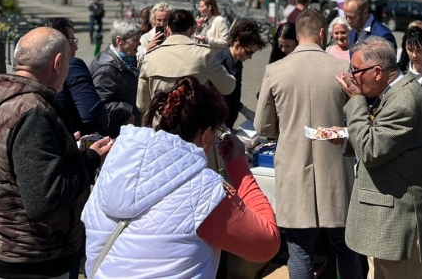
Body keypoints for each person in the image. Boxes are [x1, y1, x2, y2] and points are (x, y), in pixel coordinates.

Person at [82, 77, 279, 279]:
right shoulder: (203, 192)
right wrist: (239, 167)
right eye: (217, 132)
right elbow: (267, 244)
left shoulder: (114, 166)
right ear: (205, 135)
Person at [0, 27, 113, 279]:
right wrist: (90, 159)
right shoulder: (33, 111)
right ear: (58, 62)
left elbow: (9, 163)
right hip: (30, 258)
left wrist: (63, 148)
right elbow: (44, 199)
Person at [255, 10, 361, 278]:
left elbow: (262, 126)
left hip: (294, 168)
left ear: (298, 34)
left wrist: (288, 130)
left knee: (300, 252)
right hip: (336, 169)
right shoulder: (341, 69)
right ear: (323, 33)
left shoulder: (275, 70)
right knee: (346, 250)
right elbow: (357, 118)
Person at [336, 37, 422, 278]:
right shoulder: (396, 93)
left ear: (378, 72)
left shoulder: (404, 101)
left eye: (355, 71)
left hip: (398, 227)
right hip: (384, 225)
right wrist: (348, 137)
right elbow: (385, 143)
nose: (352, 78)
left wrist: (356, 101)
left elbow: (371, 150)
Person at [136, 9, 236, 119]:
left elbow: (142, 103)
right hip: (192, 124)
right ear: (192, 30)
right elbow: (228, 86)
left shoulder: (150, 56)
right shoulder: (204, 55)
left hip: (160, 122)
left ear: (168, 28)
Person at [45, 18, 108, 137]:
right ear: (62, 41)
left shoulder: (38, 68)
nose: (76, 47)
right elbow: (91, 114)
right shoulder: (72, 65)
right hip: (76, 140)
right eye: (73, 40)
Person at [91, 19, 142, 138]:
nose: (139, 44)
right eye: (135, 40)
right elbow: (98, 105)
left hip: (127, 131)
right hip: (115, 135)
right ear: (119, 41)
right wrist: (126, 110)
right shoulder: (107, 69)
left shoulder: (128, 58)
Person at [215, 19, 265, 129]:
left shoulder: (237, 62)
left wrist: (244, 110)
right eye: (249, 52)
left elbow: (234, 95)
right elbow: (214, 100)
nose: (250, 57)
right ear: (237, 46)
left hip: (228, 121)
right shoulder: (220, 64)